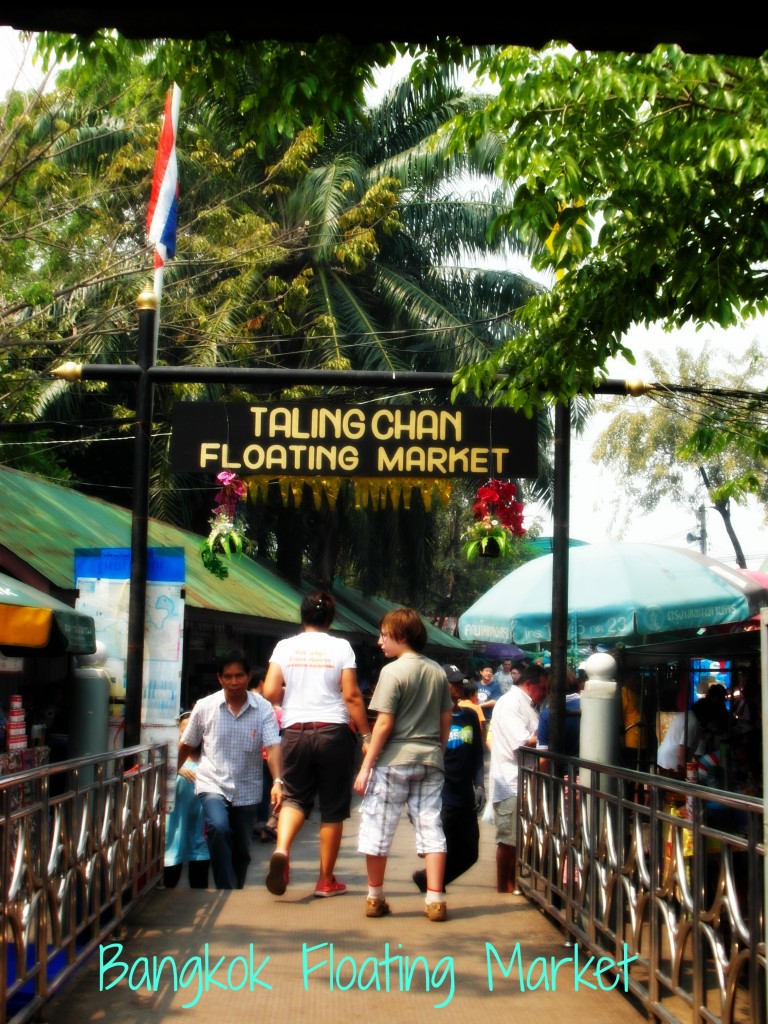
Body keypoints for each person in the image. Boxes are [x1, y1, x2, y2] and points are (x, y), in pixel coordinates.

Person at [263, 590, 370, 898]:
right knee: (333, 809)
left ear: (302, 616)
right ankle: (326, 880)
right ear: (330, 618)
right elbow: (351, 696)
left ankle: (282, 850)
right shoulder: (341, 647)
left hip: (295, 730)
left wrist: (295, 694)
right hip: (332, 731)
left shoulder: (285, 646)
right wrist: (365, 735)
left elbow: (270, 691)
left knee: (295, 799)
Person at [354, 607, 453, 921]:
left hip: (393, 762)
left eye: (385, 635)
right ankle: (435, 900)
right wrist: (437, 749)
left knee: (378, 825)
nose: (380, 641)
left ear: (402, 636)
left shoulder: (392, 672)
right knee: (431, 826)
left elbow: (383, 724)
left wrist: (366, 765)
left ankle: (375, 897)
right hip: (430, 760)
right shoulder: (437, 671)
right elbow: (446, 718)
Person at [179, 650, 282, 890]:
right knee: (218, 826)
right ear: (219, 678)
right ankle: (225, 888)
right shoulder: (205, 707)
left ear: (248, 677)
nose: (234, 682)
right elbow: (186, 744)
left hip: (247, 787)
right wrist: (173, 771)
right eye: (228, 676)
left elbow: (273, 747)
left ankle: (235, 890)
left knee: (243, 851)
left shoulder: (263, 708)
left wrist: (278, 781)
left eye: (239, 676)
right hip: (212, 783)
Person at [412, 665, 485, 894]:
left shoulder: (470, 715)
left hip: (465, 796)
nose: (459, 686)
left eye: (460, 682)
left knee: (470, 853)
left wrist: (480, 784)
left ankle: (429, 881)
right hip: (440, 796)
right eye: (453, 683)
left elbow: (477, 755)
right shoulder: (430, 719)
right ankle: (435, 892)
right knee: (440, 849)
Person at [488, 665, 548, 893]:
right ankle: (504, 887)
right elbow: (521, 741)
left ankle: (511, 884)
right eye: (542, 688)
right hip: (510, 782)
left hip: (522, 782)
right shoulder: (511, 703)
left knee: (517, 839)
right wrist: (546, 733)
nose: (544, 693)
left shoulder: (527, 704)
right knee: (509, 840)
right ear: (529, 684)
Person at [164, 711, 210, 889]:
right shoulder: (169, 758)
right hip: (174, 830)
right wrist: (177, 767)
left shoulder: (209, 759)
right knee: (169, 879)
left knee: (199, 881)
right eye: (184, 730)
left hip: (200, 831)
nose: (188, 734)